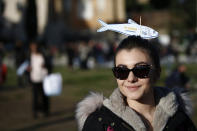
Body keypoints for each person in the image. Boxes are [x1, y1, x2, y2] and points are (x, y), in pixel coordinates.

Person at [75, 36, 196, 131]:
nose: (131, 78)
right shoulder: (99, 122)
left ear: (157, 73)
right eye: (122, 71)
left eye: (141, 70)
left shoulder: (180, 120)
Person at [29, 41, 50, 118]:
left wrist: (45, 65)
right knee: (35, 96)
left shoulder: (43, 55)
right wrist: (28, 69)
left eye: (35, 46)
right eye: (32, 47)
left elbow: (49, 64)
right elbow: (27, 65)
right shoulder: (30, 56)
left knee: (44, 95)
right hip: (34, 78)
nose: (34, 48)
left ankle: (46, 110)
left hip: (43, 78)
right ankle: (35, 111)